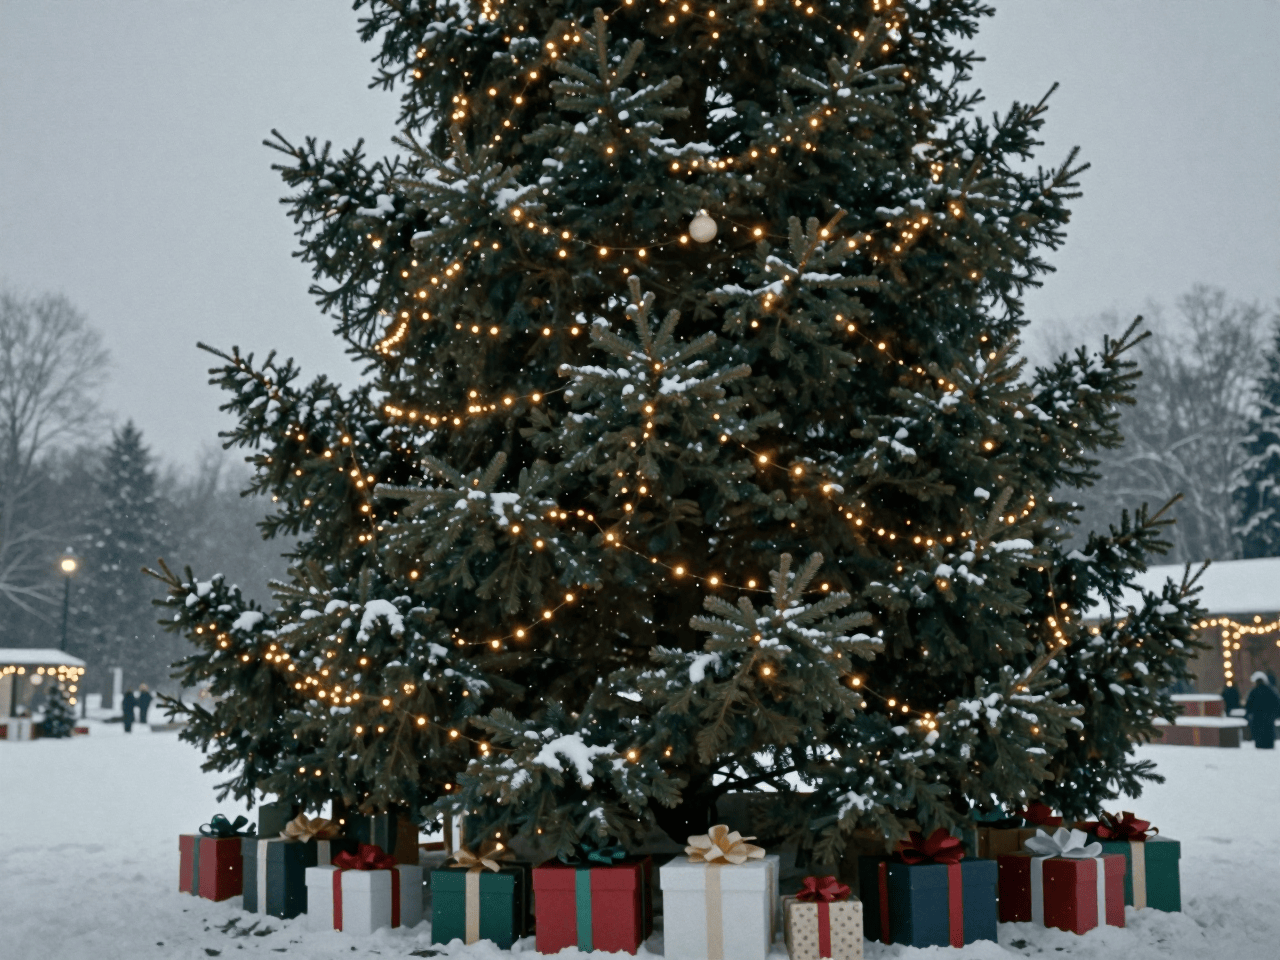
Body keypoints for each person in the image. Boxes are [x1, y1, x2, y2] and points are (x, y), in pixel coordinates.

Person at [1244, 671, 1280, 749]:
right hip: (1269, 720)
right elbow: (1277, 704)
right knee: (1268, 739)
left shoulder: (1254, 692)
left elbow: (1249, 706)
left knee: (1259, 741)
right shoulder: (1271, 691)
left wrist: (1248, 716)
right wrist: (1275, 715)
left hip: (1258, 719)